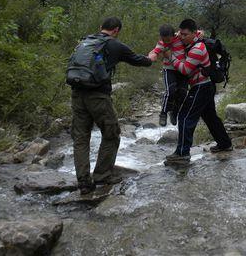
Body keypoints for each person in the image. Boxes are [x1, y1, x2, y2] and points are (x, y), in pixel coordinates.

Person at [69, 17, 152, 194]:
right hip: (98, 96)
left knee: (81, 137)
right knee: (111, 133)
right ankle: (102, 175)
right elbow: (139, 60)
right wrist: (151, 57)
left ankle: (83, 181)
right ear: (116, 30)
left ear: (101, 27)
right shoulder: (115, 45)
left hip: (77, 94)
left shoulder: (86, 41)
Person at [162, 19, 232, 163]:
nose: (181, 37)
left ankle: (182, 154)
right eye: (180, 33)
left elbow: (185, 70)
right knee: (210, 116)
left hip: (201, 86)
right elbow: (174, 36)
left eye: (185, 34)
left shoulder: (197, 48)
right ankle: (225, 144)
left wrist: (170, 57)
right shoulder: (192, 39)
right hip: (206, 85)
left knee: (185, 117)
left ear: (193, 33)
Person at [148, 24, 189, 127]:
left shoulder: (180, 37)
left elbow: (194, 33)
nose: (166, 42)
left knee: (183, 93)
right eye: (164, 39)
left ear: (173, 35)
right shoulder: (161, 43)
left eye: (168, 39)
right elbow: (155, 51)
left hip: (182, 69)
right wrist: (152, 56)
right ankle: (163, 113)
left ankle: (175, 112)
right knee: (170, 91)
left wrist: (200, 33)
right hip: (169, 69)